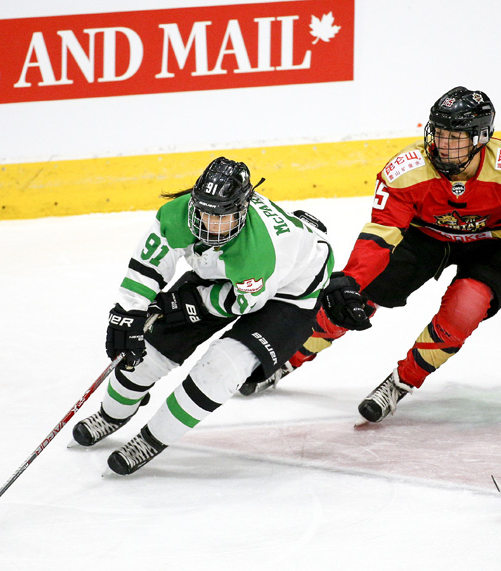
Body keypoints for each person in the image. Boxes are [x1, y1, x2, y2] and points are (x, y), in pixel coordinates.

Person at [239, 86, 501, 424]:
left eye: (455, 137)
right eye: (439, 134)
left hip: (496, 245)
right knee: (353, 298)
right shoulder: (407, 170)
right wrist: (351, 279)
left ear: (481, 137)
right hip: (423, 237)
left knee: (465, 308)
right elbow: (380, 235)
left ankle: (402, 382)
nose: (443, 145)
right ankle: (288, 357)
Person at [72, 157, 334, 474]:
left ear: (242, 210)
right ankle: (112, 414)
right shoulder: (180, 213)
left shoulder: (260, 252)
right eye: (204, 211)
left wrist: (191, 302)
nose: (209, 224)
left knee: (221, 369)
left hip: (290, 293)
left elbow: (242, 303)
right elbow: (150, 263)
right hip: (233, 274)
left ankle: (151, 439)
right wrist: (128, 311)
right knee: (148, 348)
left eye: (220, 217)